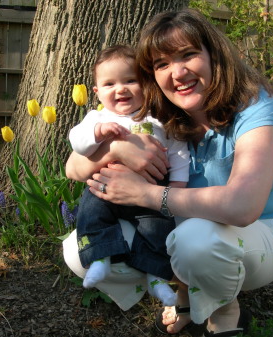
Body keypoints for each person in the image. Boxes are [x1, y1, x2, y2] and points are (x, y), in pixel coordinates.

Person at [64, 8, 273, 337]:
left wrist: (146, 195)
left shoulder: (253, 107)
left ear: (213, 55)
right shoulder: (157, 113)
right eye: (162, 64)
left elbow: (242, 206)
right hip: (182, 234)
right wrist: (115, 149)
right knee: (78, 250)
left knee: (194, 239)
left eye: (188, 55)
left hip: (255, 238)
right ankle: (186, 296)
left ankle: (224, 307)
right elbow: (73, 167)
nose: (178, 72)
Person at [68, 45, 190, 307]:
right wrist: (98, 134)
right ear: (97, 92)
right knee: (90, 209)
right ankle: (100, 257)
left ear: (146, 84)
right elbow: (76, 142)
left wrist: (178, 186)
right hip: (107, 188)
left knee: (158, 229)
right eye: (109, 84)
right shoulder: (97, 118)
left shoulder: (158, 118)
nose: (120, 89)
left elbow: (179, 150)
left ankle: (156, 276)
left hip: (151, 192)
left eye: (130, 80)